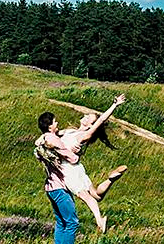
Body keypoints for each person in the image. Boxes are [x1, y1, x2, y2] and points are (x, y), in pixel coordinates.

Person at [55, 95, 129, 233]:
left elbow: (101, 120)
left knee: (85, 196)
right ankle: (110, 179)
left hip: (68, 170)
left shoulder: (84, 135)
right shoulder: (71, 131)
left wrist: (114, 105)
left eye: (88, 117)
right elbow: (53, 135)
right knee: (96, 195)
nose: (85, 115)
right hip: (77, 168)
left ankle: (99, 220)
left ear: (90, 125)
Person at [34, 111, 81, 244]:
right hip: (60, 186)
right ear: (50, 126)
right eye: (55, 122)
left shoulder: (41, 141)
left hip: (50, 187)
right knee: (72, 222)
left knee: (61, 222)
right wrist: (77, 154)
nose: (57, 124)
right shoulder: (53, 140)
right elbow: (71, 157)